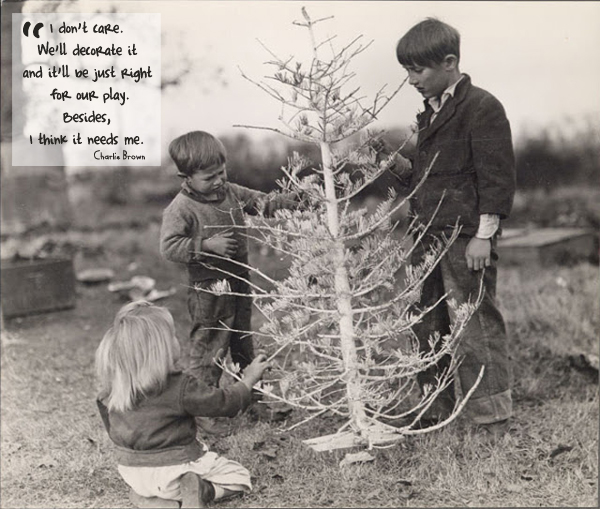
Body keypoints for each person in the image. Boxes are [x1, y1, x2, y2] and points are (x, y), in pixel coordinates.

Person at [382, 18, 516, 436]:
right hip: (426, 237)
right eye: (406, 71)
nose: (410, 81)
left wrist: (483, 234)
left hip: (464, 239)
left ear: (450, 62)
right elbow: (426, 179)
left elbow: (496, 177)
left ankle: (491, 415)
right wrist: (389, 162)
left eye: (417, 71)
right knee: (427, 322)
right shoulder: (429, 115)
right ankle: (434, 409)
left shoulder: (482, 107)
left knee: (474, 323)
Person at [160, 130, 298, 435]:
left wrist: (293, 200)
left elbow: (263, 203)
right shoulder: (181, 208)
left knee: (242, 342)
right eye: (209, 178)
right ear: (186, 177)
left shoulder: (231, 193)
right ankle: (204, 409)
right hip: (208, 288)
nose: (218, 181)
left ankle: (251, 399)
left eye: (221, 173)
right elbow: (169, 247)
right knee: (209, 347)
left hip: (239, 280)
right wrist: (206, 246)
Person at [95, 300, 271, 508]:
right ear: (160, 351)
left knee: (150, 486)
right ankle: (203, 490)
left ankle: (150, 499)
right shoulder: (180, 386)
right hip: (174, 470)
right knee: (239, 477)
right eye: (172, 336)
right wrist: (248, 379)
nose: (177, 341)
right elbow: (226, 403)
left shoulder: (113, 389)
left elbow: (112, 428)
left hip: (132, 472)